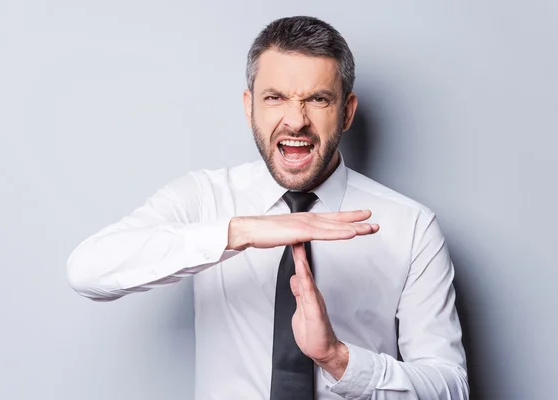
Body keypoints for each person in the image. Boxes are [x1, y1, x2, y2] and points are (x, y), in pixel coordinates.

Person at [66, 16, 469, 400]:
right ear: (249, 106)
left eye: (318, 99)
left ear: (346, 112)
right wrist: (239, 232)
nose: (295, 121)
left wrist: (338, 359)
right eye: (275, 98)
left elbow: (450, 387)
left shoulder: (411, 226)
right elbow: (87, 271)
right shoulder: (206, 198)